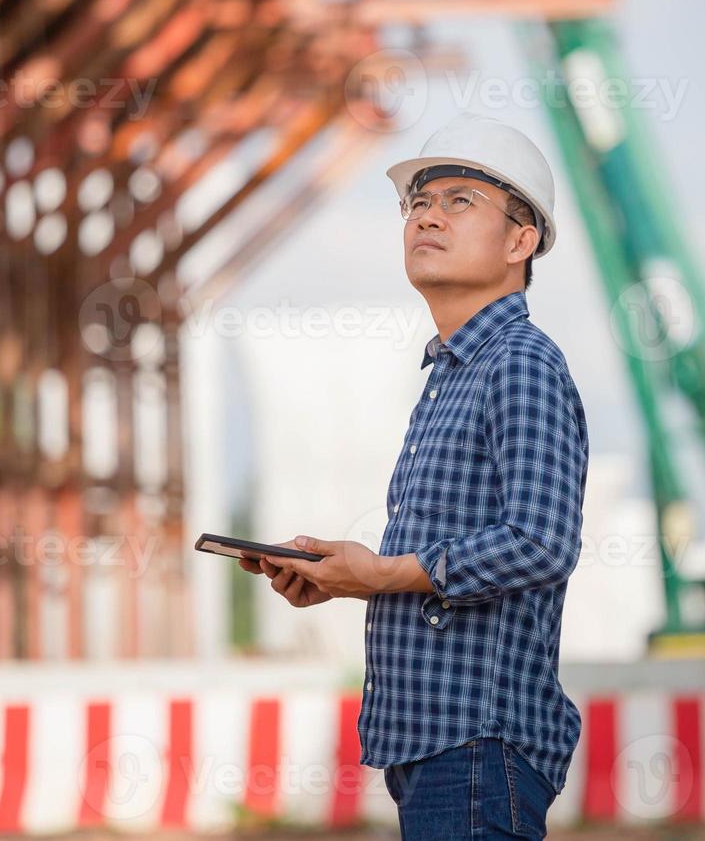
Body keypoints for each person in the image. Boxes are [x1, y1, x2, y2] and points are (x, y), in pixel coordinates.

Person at [240, 113, 589, 839]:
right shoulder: (451, 374)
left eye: (460, 200)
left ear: (522, 241)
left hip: (478, 742)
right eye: (418, 203)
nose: (427, 215)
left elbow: (541, 542)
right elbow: (442, 557)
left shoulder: (519, 362)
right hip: (439, 745)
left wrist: (380, 574)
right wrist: (335, 575)